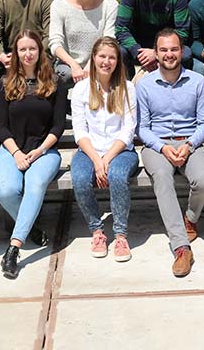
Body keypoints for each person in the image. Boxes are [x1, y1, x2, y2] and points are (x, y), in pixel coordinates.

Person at [136, 29, 204, 278]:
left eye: (174, 49)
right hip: (157, 145)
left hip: (190, 142)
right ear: (156, 54)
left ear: (181, 51)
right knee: (162, 176)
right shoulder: (145, 85)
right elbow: (142, 128)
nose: (169, 54)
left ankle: (190, 218)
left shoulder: (197, 81)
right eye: (164, 50)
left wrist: (189, 145)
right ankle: (181, 247)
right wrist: (163, 148)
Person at [0, 30, 67, 279]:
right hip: (11, 149)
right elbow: (1, 126)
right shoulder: (5, 84)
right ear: (16, 53)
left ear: (40, 51)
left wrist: (38, 151)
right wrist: (16, 153)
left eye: (32, 48)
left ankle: (13, 249)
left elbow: (58, 126)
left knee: (34, 185)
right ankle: (31, 228)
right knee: (6, 191)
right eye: (22, 49)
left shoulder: (55, 82)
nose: (27, 53)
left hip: (45, 151)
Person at [70, 37, 139, 261]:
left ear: (118, 61)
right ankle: (97, 231)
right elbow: (80, 131)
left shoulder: (128, 88)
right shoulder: (81, 89)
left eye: (112, 57)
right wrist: (96, 160)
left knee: (117, 176)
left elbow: (128, 130)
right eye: (102, 56)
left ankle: (120, 235)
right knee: (80, 177)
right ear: (94, 58)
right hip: (90, 150)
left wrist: (107, 159)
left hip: (120, 151)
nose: (106, 61)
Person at [48, 0, 118, 86]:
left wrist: (91, 66)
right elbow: (55, 43)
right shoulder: (59, 5)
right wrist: (74, 65)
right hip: (67, 65)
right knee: (66, 75)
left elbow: (109, 40)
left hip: (100, 63)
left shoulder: (109, 5)